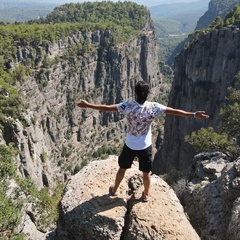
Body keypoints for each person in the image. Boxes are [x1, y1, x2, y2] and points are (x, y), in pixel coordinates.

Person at [75, 81, 209, 202]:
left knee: (122, 168)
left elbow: (106, 108)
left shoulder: (127, 106)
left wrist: (88, 105)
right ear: (147, 94)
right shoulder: (154, 107)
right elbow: (173, 111)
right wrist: (193, 114)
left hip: (130, 145)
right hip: (145, 147)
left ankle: (114, 189)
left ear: (135, 93)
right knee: (146, 173)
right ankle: (145, 195)